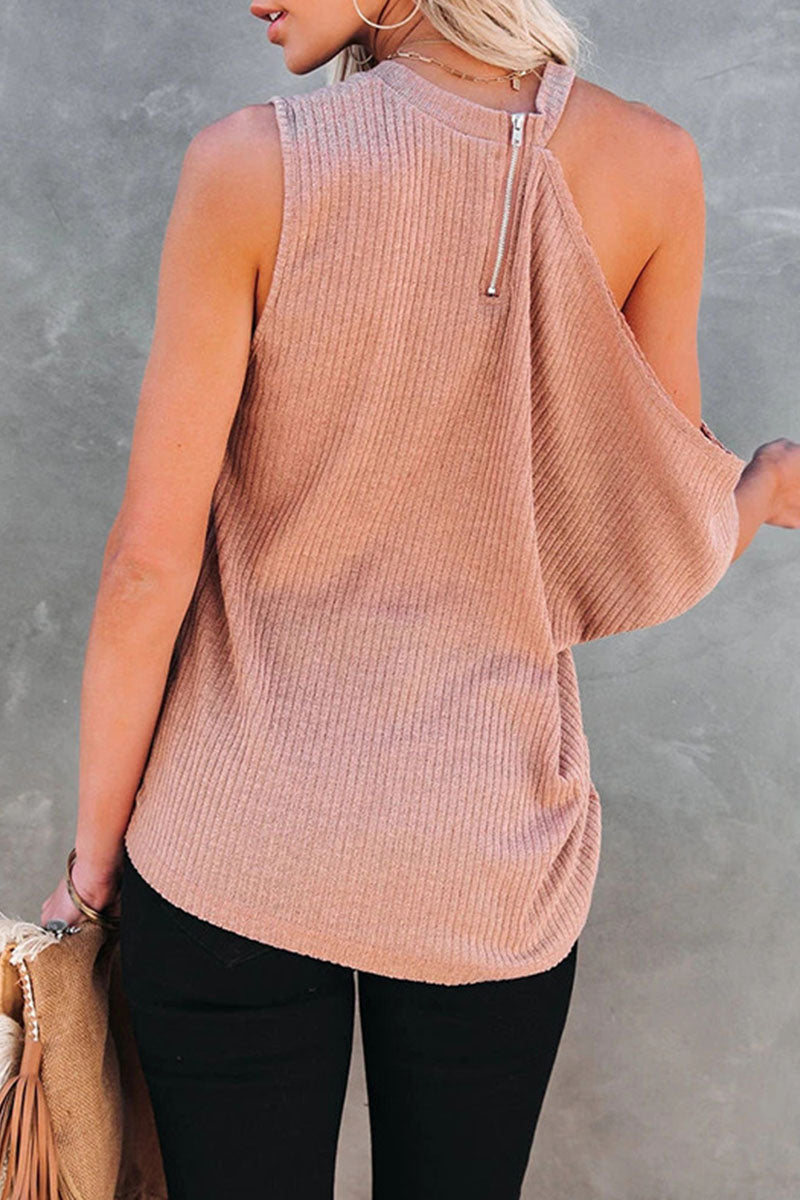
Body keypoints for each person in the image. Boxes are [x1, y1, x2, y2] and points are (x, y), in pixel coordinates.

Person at [41, 1, 799, 1197]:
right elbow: (651, 533)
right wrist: (756, 491)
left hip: (235, 847)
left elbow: (147, 563)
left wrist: (92, 871)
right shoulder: (651, 164)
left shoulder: (251, 165)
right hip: (488, 859)